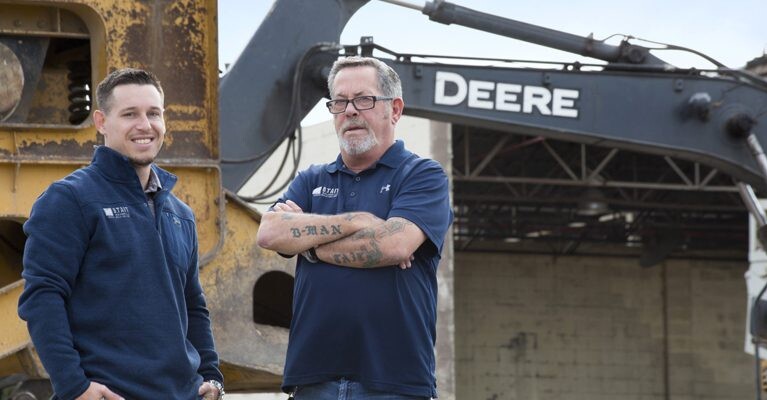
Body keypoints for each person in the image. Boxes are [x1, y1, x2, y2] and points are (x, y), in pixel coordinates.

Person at [18, 68, 224, 400]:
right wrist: (75, 387)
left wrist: (213, 378)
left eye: (153, 113)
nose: (145, 125)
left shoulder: (180, 214)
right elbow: (42, 297)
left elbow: (193, 305)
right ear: (101, 121)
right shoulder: (70, 199)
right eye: (130, 114)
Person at [257, 56, 453, 399]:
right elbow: (270, 232)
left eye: (364, 99)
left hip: (395, 383)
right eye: (340, 102)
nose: (350, 111)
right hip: (313, 380)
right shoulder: (311, 179)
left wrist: (308, 245)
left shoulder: (422, 176)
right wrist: (360, 223)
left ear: (394, 109)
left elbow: (394, 246)